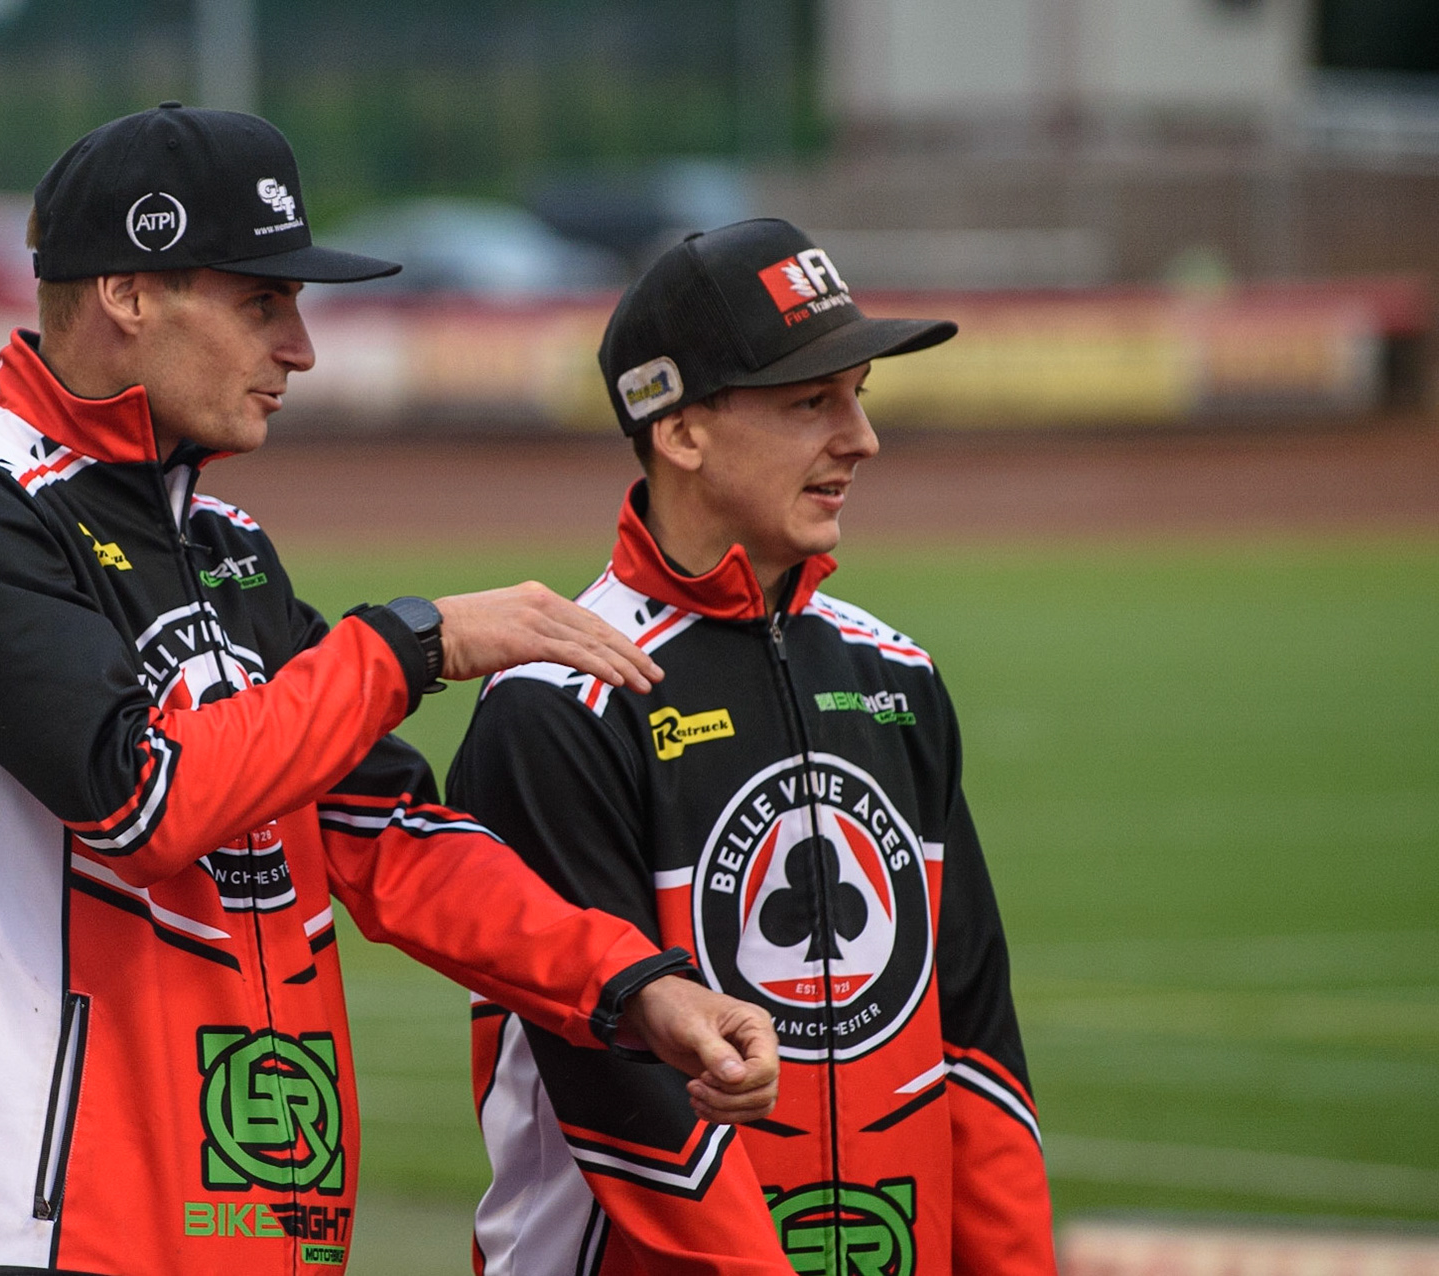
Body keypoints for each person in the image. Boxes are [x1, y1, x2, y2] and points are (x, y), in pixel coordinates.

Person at [0, 106, 780, 1276]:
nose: (302, 348)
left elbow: (390, 835)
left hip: (265, 1219)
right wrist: (414, 645)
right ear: (131, 293)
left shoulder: (226, 544)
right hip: (50, 1223)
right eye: (261, 304)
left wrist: (634, 983)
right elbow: (142, 802)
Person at [448, 219, 1057, 1275]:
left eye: (860, 395)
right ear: (681, 431)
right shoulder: (554, 705)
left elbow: (977, 1048)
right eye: (812, 401)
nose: (861, 438)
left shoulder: (895, 677)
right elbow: (629, 1107)